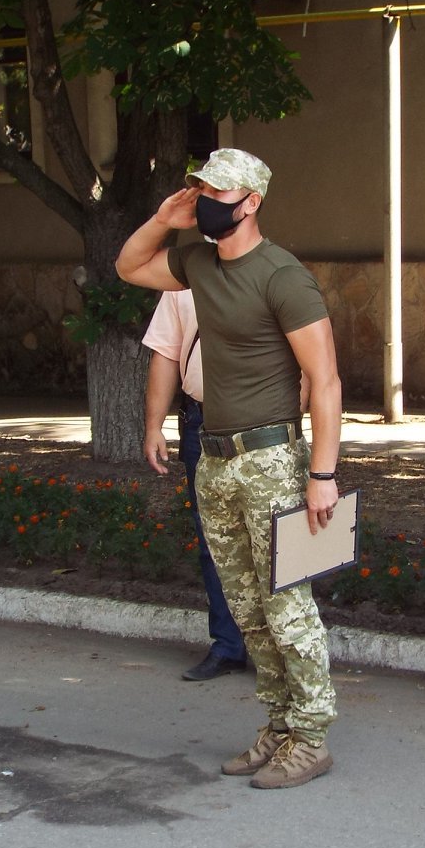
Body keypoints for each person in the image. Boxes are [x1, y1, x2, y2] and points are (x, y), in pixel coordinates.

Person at [116, 148, 342, 790]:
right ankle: (278, 723)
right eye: (201, 189)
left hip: (272, 457)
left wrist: (321, 473)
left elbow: (324, 381)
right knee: (246, 604)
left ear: (253, 202)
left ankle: (313, 734)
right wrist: (166, 217)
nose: (206, 199)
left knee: (285, 602)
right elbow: (128, 265)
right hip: (213, 458)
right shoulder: (197, 261)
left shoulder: (284, 276)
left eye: (219, 191)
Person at [142, 289, 249, 681]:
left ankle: (280, 648)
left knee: (272, 537)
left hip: (261, 423)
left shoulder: (273, 271)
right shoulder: (179, 283)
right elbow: (166, 354)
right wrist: (154, 426)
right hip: (199, 422)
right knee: (213, 540)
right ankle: (228, 646)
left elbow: (304, 362)